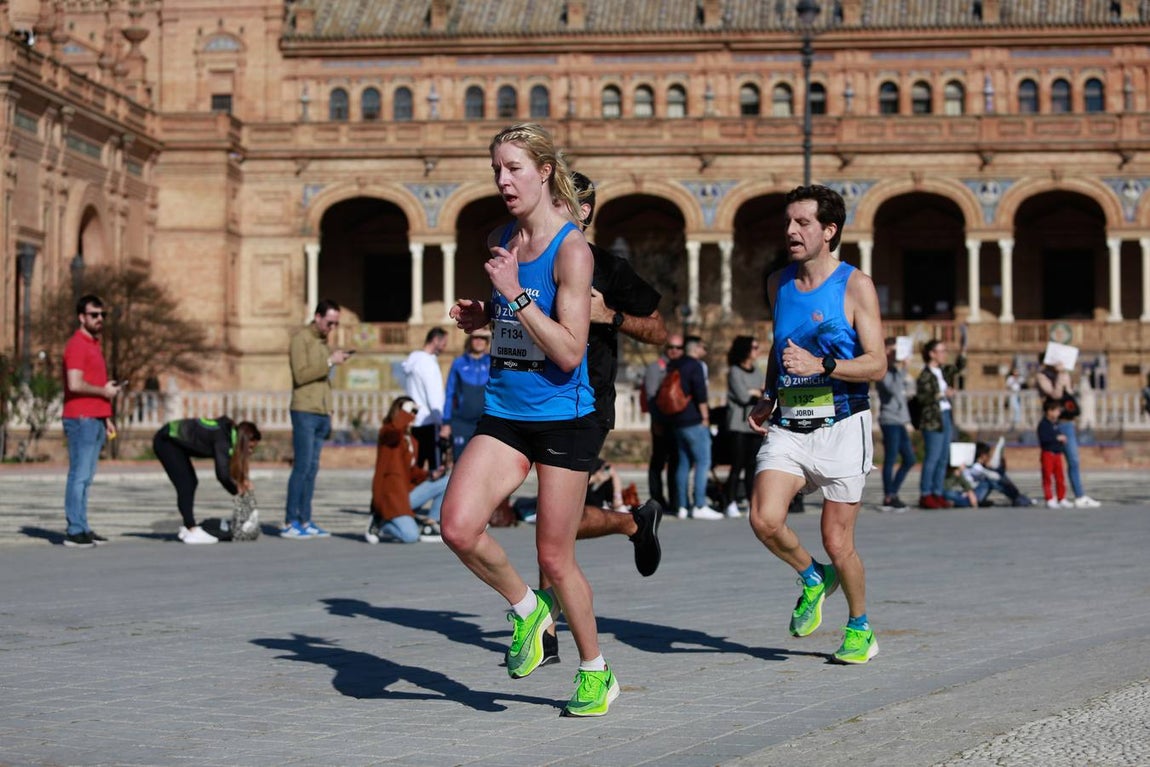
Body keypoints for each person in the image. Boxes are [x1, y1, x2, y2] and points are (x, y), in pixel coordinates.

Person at [441, 123, 617, 717]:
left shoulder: (573, 250)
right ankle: (528, 610)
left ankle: (596, 671)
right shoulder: (500, 236)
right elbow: (516, 321)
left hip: (564, 417)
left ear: (544, 172)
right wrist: (484, 315)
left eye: (514, 168)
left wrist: (513, 295)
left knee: (554, 557)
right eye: (496, 169)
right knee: (459, 527)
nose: (503, 180)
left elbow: (569, 350)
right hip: (505, 410)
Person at [747, 184, 887, 665]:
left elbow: (876, 365)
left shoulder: (855, 285)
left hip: (844, 423)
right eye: (788, 222)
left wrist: (822, 366)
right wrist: (769, 395)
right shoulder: (777, 283)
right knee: (764, 519)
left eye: (803, 223)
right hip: (791, 420)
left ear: (829, 231)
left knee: (837, 540)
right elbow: (777, 345)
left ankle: (860, 626)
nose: (791, 231)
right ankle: (812, 576)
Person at [283, 299, 352, 539]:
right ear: (318, 316)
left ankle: (306, 518)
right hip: (304, 410)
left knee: (312, 469)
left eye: (335, 324)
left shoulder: (323, 343)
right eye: (330, 322)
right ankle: (291, 520)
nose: (332, 328)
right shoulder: (300, 339)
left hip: (321, 411)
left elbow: (324, 382)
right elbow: (300, 375)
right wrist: (330, 361)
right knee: (301, 467)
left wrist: (330, 409)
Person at [61, 294, 123, 547]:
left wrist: (106, 416)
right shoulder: (76, 345)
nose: (99, 319)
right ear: (81, 317)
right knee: (79, 475)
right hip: (81, 418)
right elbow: (75, 384)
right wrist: (104, 392)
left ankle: (83, 526)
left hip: (95, 418)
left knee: (86, 477)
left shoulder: (94, 346)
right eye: (94, 315)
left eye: (102, 315)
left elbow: (96, 383)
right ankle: (74, 530)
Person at [153, 417, 262, 544]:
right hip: (166, 441)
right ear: (243, 441)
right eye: (250, 447)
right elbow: (222, 475)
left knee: (190, 482)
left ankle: (189, 528)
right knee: (187, 483)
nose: (250, 451)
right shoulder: (223, 439)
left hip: (174, 442)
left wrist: (242, 482)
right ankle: (191, 529)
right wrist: (238, 491)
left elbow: (228, 469)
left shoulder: (228, 435)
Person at [366, 396, 449, 544]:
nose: (413, 415)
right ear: (399, 412)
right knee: (410, 536)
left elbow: (411, 472)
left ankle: (430, 523)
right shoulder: (387, 433)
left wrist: (431, 474)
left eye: (415, 411)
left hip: (406, 495)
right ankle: (381, 522)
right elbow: (393, 433)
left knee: (447, 481)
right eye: (412, 411)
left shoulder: (412, 440)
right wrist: (406, 410)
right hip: (390, 497)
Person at [1035, 357, 1100, 508]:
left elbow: (1069, 393)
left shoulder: (1063, 373)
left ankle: (1077, 496)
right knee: (1056, 466)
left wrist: (1064, 375)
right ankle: (1055, 497)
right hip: (1056, 424)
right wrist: (1059, 375)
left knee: (1073, 461)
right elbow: (1056, 395)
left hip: (1068, 423)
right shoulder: (1042, 376)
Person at [671, 335, 721, 520]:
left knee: (683, 463)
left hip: (678, 420)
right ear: (696, 348)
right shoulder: (695, 366)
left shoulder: (675, 364)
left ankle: (682, 506)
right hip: (694, 419)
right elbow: (700, 393)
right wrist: (705, 417)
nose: (705, 351)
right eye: (703, 347)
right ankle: (699, 504)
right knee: (703, 461)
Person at [915, 338, 965, 509]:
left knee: (944, 458)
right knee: (933, 457)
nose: (945, 354)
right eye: (942, 351)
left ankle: (938, 492)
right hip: (932, 420)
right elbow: (921, 398)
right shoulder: (925, 375)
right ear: (932, 354)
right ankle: (925, 493)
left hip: (946, 415)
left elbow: (959, 367)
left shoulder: (944, 371)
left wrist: (963, 349)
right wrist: (940, 394)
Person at [723, 335, 762, 518]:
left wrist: (755, 392)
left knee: (752, 466)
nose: (757, 350)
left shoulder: (758, 371)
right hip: (739, 425)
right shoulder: (734, 372)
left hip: (756, 425)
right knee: (737, 465)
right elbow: (743, 396)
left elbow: (764, 392)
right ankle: (730, 501)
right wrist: (754, 392)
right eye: (754, 347)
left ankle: (750, 501)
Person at [876, 336, 916, 511]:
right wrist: (902, 369)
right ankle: (888, 497)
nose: (894, 354)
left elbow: (905, 391)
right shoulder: (882, 370)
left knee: (909, 459)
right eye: (891, 350)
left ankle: (892, 491)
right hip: (889, 420)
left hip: (900, 420)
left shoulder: (895, 370)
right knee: (891, 459)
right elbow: (892, 389)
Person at [643, 335, 683, 511]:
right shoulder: (655, 367)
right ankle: (657, 499)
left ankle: (675, 500)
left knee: (676, 462)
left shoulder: (683, 367)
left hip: (678, 423)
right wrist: (656, 421)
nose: (674, 350)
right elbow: (651, 396)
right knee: (658, 461)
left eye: (678, 348)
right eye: (671, 347)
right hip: (661, 421)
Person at [403, 327, 449, 471]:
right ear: (435, 340)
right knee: (435, 468)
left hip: (414, 421)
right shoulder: (428, 364)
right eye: (444, 343)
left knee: (416, 465)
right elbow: (434, 397)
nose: (444, 347)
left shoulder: (413, 360)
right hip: (429, 421)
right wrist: (442, 422)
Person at [443, 328, 491, 459]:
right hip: (461, 423)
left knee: (482, 463)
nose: (479, 341)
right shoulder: (459, 363)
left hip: (485, 422)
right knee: (460, 462)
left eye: (483, 338)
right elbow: (449, 393)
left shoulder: (493, 362)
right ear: (470, 340)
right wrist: (446, 423)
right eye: (475, 337)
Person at [968, 440, 1034, 507]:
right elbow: (993, 476)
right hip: (973, 496)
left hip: (976, 494)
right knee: (992, 480)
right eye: (988, 454)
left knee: (996, 475)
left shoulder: (979, 466)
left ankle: (1017, 497)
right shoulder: (976, 467)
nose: (989, 457)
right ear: (983, 455)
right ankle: (1017, 497)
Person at [1037, 399, 1071, 508]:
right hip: (1048, 453)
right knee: (1047, 477)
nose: (1058, 413)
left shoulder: (1056, 424)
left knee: (1060, 477)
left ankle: (1061, 498)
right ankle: (1049, 498)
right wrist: (1056, 438)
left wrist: (1062, 439)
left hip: (1057, 454)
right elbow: (1044, 439)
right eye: (1056, 411)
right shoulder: (1043, 425)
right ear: (1049, 411)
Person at [1005, 366, 1023, 431]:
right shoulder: (1010, 378)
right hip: (1013, 394)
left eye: (1017, 371)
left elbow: (1022, 382)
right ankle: (1015, 420)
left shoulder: (1020, 378)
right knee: (1015, 407)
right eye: (1015, 371)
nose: (1016, 373)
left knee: (1019, 407)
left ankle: (1017, 420)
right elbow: (1008, 385)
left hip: (1019, 394)